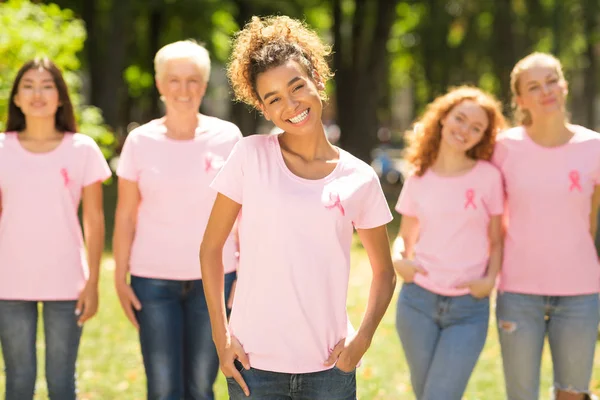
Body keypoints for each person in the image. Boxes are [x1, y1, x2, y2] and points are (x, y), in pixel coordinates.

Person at [200, 15, 396, 400]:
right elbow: (210, 250)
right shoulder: (249, 156)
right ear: (263, 108)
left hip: (329, 371)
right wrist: (222, 338)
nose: (291, 105)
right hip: (253, 368)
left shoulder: (359, 178)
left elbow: (385, 274)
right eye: (274, 99)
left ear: (318, 81)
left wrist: (362, 341)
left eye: (297, 87)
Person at [113, 40, 242, 400]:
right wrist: (119, 275)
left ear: (204, 85)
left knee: (202, 387)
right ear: (159, 84)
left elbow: (245, 212)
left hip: (215, 279)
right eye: (173, 80)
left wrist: (243, 269)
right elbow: (125, 215)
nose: (183, 89)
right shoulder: (139, 141)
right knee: (163, 388)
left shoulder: (229, 137)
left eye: (192, 80)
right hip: (152, 282)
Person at [0, 58, 111, 400]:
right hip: (9, 281)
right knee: (18, 381)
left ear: (61, 97)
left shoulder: (82, 149)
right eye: (28, 86)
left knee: (62, 382)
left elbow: (94, 221)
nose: (37, 93)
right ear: (16, 98)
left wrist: (92, 282)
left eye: (47, 85)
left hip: (67, 283)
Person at [493, 52, 600, 400]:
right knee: (521, 395)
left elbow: (591, 219)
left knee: (573, 394)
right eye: (534, 86)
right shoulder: (503, 147)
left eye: (552, 80)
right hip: (518, 293)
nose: (546, 91)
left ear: (564, 84)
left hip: (580, 294)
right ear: (520, 99)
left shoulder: (594, 147)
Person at [393, 86, 506, 399]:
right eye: (460, 119)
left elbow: (496, 240)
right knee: (426, 393)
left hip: (469, 307)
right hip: (417, 303)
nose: (465, 130)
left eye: (476, 128)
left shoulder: (489, 177)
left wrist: (489, 280)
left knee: (440, 394)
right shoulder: (418, 176)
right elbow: (404, 236)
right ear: (443, 118)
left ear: (483, 137)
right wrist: (399, 260)